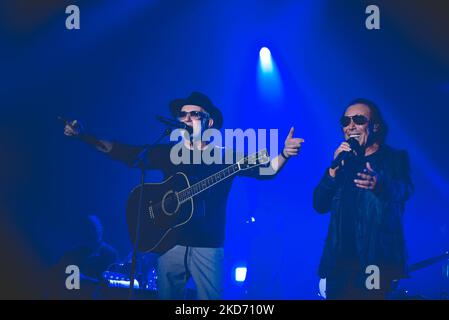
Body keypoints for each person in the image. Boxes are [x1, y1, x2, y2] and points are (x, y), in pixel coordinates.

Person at [63, 91, 303, 299]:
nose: (187, 118)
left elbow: (268, 170)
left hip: (208, 245)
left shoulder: (226, 156)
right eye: (183, 114)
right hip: (170, 242)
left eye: (194, 114)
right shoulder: (168, 152)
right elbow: (125, 153)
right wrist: (84, 136)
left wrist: (284, 153)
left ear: (209, 122)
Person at [313, 98, 413, 300]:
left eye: (358, 120)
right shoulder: (343, 162)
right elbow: (319, 205)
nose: (351, 126)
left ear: (375, 126)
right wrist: (332, 172)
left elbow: (405, 190)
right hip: (339, 264)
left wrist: (380, 185)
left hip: (375, 261)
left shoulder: (394, 158)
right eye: (345, 121)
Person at [50, 215, 119, 299]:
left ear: (101, 228)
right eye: (90, 228)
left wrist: (86, 280)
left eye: (95, 227)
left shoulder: (110, 254)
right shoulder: (74, 253)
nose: (94, 231)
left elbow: (113, 284)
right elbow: (69, 284)